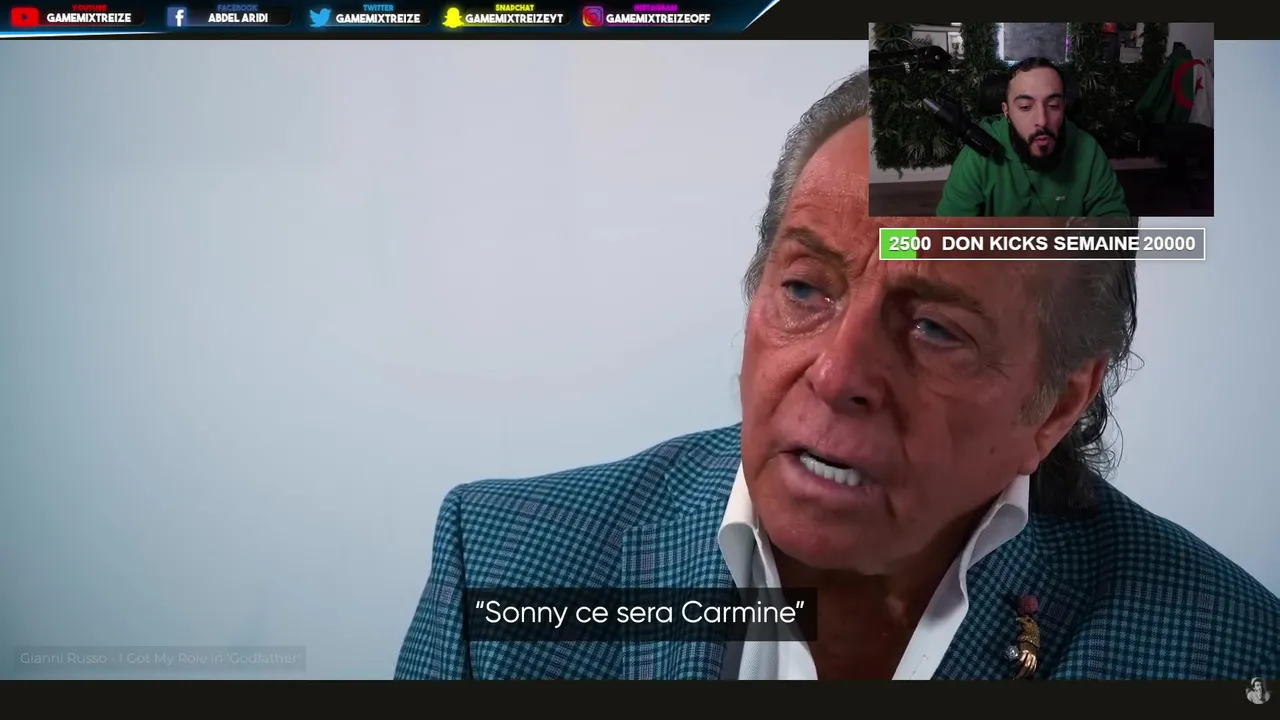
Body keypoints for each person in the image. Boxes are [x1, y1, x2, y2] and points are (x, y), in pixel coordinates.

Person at [395, 69, 1280, 680]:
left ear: (1056, 404)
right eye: (805, 288)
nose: (837, 373)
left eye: (935, 329)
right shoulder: (503, 563)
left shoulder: (1229, 652)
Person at [935, 57, 1131, 218]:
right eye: (1025, 107)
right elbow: (949, 234)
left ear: (1064, 107)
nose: (1042, 121)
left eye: (1053, 106)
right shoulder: (977, 157)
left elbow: (1115, 221)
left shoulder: (1087, 150)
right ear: (1007, 111)